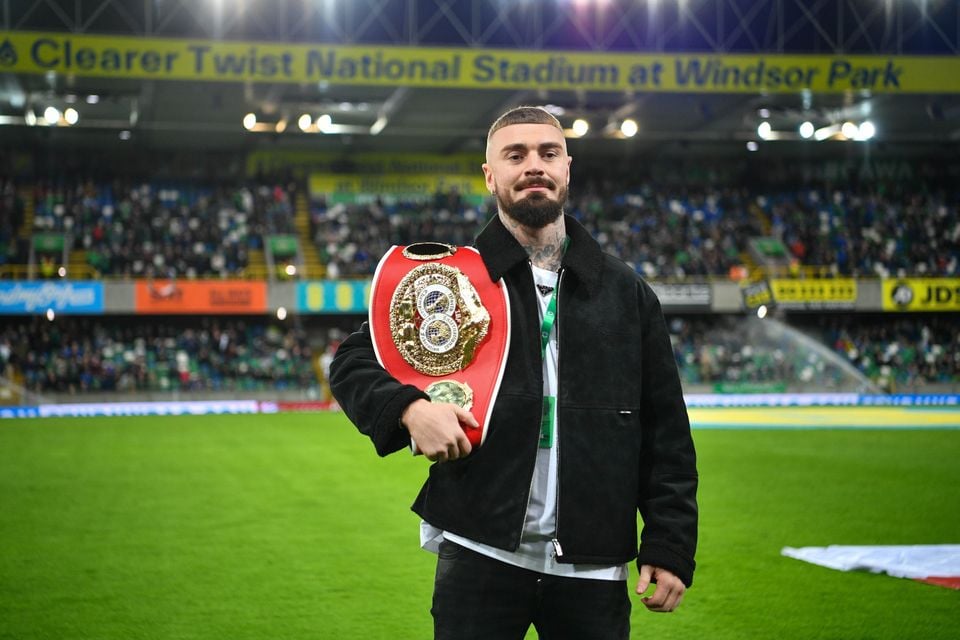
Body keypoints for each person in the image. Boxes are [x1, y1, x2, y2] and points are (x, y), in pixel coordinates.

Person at [329, 105, 698, 639]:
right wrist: (410, 410)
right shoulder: (452, 279)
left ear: (567, 168)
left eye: (548, 153)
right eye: (515, 154)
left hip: (592, 566)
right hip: (480, 550)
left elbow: (666, 433)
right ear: (490, 174)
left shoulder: (626, 293)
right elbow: (352, 361)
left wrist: (669, 543)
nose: (534, 165)